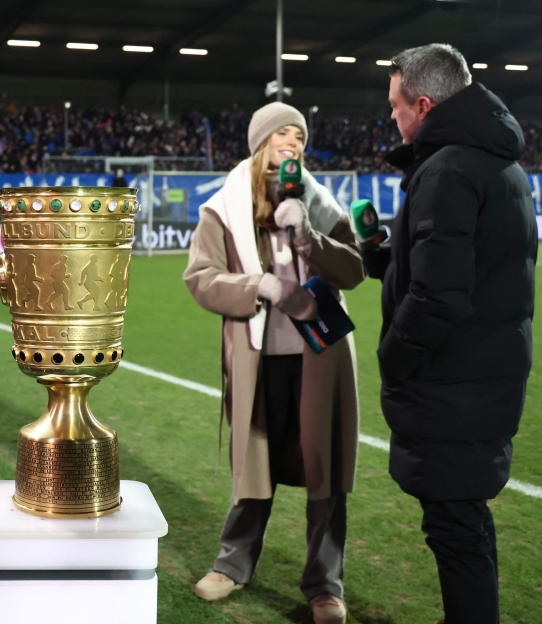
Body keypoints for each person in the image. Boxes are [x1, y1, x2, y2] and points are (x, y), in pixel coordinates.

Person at [183, 102, 364, 624]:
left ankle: (325, 585)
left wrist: (310, 235)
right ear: (261, 142)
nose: (293, 143)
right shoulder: (221, 207)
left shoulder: (322, 202)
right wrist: (257, 285)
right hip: (258, 358)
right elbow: (200, 276)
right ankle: (232, 564)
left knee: (325, 468)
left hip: (320, 354)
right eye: (282, 133)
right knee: (254, 464)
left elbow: (353, 271)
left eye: (300, 136)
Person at [372, 44, 535, 624]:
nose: (391, 117)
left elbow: (438, 296)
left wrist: (393, 358)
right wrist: (386, 259)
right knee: (464, 528)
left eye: (395, 105)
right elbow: (463, 259)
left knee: (457, 531)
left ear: (422, 102)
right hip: (484, 376)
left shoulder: (448, 169)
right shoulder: (497, 161)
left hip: (454, 386)